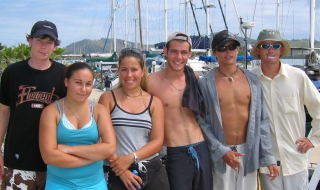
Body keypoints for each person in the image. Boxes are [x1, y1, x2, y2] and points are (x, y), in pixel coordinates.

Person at [197, 30, 278, 190]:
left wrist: (268, 157)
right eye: (222, 48)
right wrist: (221, 151)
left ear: (237, 49)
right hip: (219, 154)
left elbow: (262, 122)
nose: (228, 51)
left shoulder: (253, 81)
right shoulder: (205, 84)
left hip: (248, 152)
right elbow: (201, 122)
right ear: (214, 53)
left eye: (232, 46)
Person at [0, 20, 66, 189]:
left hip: (53, 162)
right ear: (29, 40)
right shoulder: (11, 73)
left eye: (49, 42)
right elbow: (3, 113)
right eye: (39, 40)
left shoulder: (64, 75)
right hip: (17, 159)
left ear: (55, 46)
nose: (43, 46)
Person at [251, 29, 320, 190]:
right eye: (265, 45)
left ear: (281, 50)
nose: (271, 49)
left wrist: (314, 139)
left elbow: (318, 107)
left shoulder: (298, 76)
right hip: (267, 163)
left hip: (295, 160)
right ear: (258, 50)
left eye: (275, 45)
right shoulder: (250, 79)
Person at [148, 32, 213, 190]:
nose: (179, 57)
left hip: (200, 148)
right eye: (174, 51)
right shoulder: (151, 82)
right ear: (165, 51)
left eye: (184, 52)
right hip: (173, 153)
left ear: (190, 54)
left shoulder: (194, 78)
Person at [98, 48, 170, 190]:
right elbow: (99, 139)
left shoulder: (154, 102)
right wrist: (122, 170)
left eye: (134, 70)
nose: (129, 75)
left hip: (152, 170)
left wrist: (131, 158)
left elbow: (157, 142)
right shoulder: (107, 99)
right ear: (118, 71)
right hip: (116, 170)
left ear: (143, 72)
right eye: (124, 69)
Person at [39, 62, 116, 189]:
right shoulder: (51, 112)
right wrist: (93, 158)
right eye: (78, 83)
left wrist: (69, 149)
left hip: (95, 185)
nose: (83, 89)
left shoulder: (99, 110)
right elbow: (49, 156)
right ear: (66, 82)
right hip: (59, 185)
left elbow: (109, 148)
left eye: (88, 84)